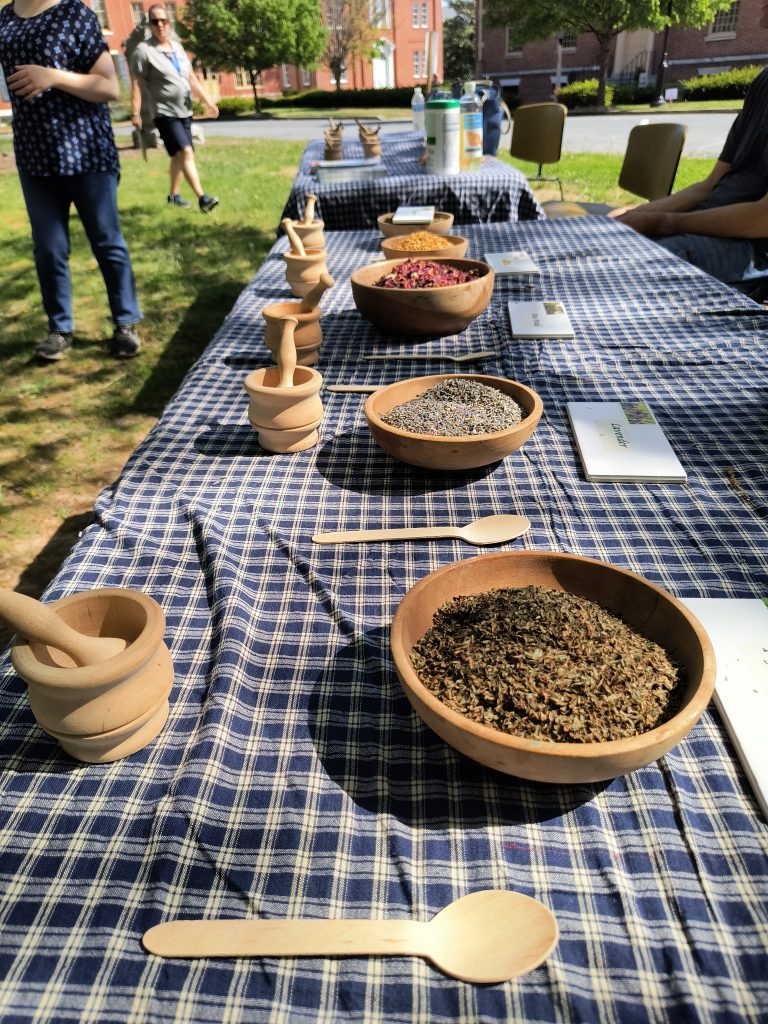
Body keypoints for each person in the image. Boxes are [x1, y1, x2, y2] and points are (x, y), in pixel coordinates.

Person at [0, 0, 142, 361]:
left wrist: (53, 76)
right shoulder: (5, 17)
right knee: (48, 248)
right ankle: (59, 329)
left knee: (106, 240)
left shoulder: (74, 13)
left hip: (86, 150)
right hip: (35, 153)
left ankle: (125, 323)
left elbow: (108, 86)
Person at [611, 63, 768, 285]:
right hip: (705, 225)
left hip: (754, 251)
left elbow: (763, 220)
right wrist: (632, 214)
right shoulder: (763, 81)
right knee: (604, 246)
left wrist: (663, 222)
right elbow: (709, 185)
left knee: (631, 266)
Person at [130, 5, 219, 213]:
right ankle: (202, 198)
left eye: (163, 20)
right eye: (155, 21)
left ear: (169, 23)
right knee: (185, 152)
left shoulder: (177, 47)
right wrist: (135, 113)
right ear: (149, 25)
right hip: (164, 112)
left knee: (177, 156)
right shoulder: (143, 51)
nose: (160, 25)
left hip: (185, 110)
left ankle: (173, 196)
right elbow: (136, 83)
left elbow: (190, 77)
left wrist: (207, 100)